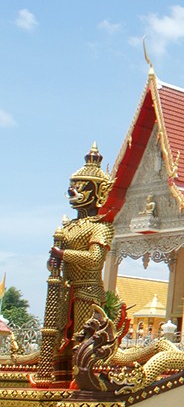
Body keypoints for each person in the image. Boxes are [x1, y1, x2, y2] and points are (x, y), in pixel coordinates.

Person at [37, 145, 120, 383]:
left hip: (87, 290)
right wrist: (54, 262)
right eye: (73, 185)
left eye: (81, 186)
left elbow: (95, 260)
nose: (73, 190)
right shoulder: (68, 227)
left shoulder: (101, 227)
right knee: (57, 338)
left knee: (83, 341)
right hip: (65, 288)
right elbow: (57, 263)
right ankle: (59, 378)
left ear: (98, 192)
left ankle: (83, 382)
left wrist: (64, 254)